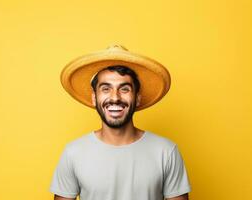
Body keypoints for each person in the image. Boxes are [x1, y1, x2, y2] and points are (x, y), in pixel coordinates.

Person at [49, 45, 191, 200]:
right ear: (94, 98)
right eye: (105, 89)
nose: (115, 97)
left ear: (137, 98)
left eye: (124, 89)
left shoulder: (166, 152)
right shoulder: (73, 153)